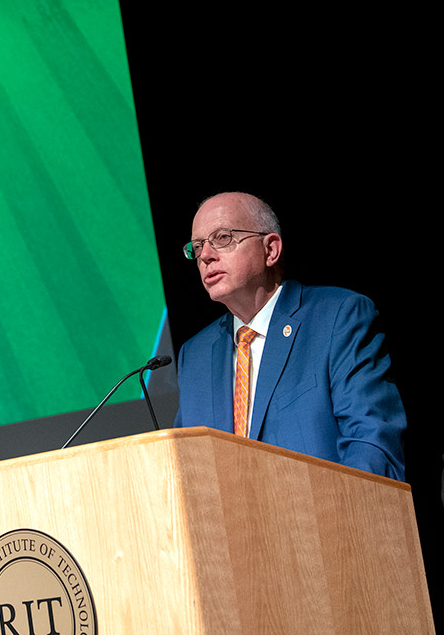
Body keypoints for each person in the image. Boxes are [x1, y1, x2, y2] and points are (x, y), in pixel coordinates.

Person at [173, 192, 406, 480]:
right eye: (197, 246)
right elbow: (187, 471)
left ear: (270, 249)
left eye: (222, 238)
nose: (206, 255)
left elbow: (371, 443)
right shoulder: (194, 355)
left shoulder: (338, 318)